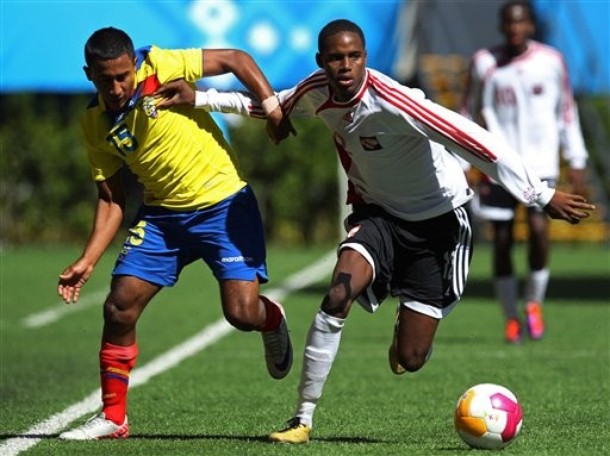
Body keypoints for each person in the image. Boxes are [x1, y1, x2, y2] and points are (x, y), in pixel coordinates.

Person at [154, 19, 594, 444]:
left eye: (353, 56)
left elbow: (474, 140)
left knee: (411, 358)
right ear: (321, 61)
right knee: (337, 294)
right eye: (335, 58)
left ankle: (405, 330)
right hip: (378, 215)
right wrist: (199, 98)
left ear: (365, 57)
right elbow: (273, 104)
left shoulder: (397, 100)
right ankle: (302, 417)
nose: (345, 66)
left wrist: (539, 194)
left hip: (439, 224)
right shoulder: (317, 91)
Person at [56, 27, 295, 440]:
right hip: (163, 219)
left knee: (241, 314)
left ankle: (271, 320)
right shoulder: (94, 123)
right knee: (118, 306)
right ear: (88, 74)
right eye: (104, 79)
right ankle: (114, 418)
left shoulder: (161, 63)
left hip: (224, 206)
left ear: (134, 66)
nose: (115, 87)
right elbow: (112, 199)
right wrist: (87, 259)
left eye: (122, 76)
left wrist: (272, 108)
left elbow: (236, 59)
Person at [461, 1, 589, 344]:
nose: (515, 28)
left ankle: (533, 303)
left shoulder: (551, 61)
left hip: (541, 165)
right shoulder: (484, 62)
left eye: (521, 22)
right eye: (509, 23)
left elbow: (566, 111)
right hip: (497, 167)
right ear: (502, 26)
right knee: (501, 240)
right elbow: (466, 114)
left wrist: (576, 158)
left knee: (539, 230)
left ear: (531, 25)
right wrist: (463, 164)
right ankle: (510, 318)